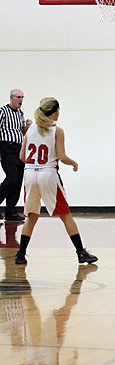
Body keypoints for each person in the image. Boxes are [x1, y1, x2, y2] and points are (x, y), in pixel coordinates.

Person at [15, 97, 97, 265]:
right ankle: (81, 252)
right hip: (48, 174)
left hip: (29, 174)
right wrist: (73, 163)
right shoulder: (57, 130)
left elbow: (22, 156)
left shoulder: (29, 129)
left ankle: (20, 255)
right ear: (55, 112)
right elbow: (62, 156)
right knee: (65, 215)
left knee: (31, 216)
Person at [0, 88, 31, 222]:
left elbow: (21, 132)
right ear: (11, 97)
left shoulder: (20, 113)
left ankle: (10, 211)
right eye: (18, 97)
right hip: (6, 147)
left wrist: (28, 127)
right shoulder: (3, 111)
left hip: (19, 148)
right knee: (11, 178)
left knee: (18, 180)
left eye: (22, 97)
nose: (21, 100)